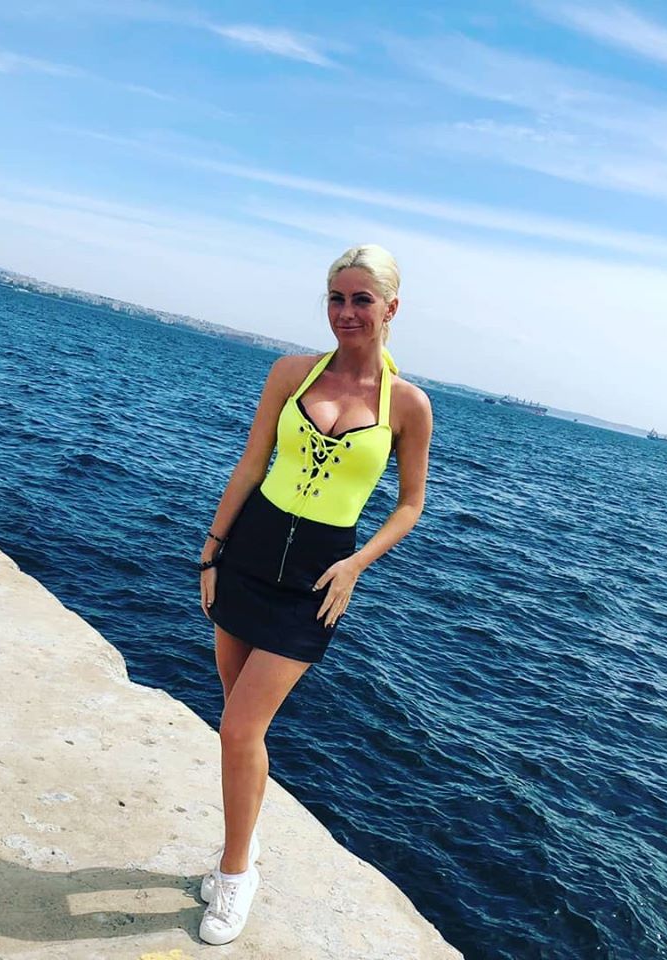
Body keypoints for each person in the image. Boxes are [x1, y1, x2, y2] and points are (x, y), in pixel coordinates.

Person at [195, 244, 433, 945]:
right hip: (248, 553)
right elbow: (251, 463)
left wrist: (356, 565)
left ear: (391, 308)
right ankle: (244, 843)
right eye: (336, 298)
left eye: (362, 299)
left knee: (240, 729)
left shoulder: (408, 405)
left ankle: (235, 875)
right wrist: (211, 552)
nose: (346, 312)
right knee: (240, 726)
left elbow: (410, 504)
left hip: (317, 578)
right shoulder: (291, 373)